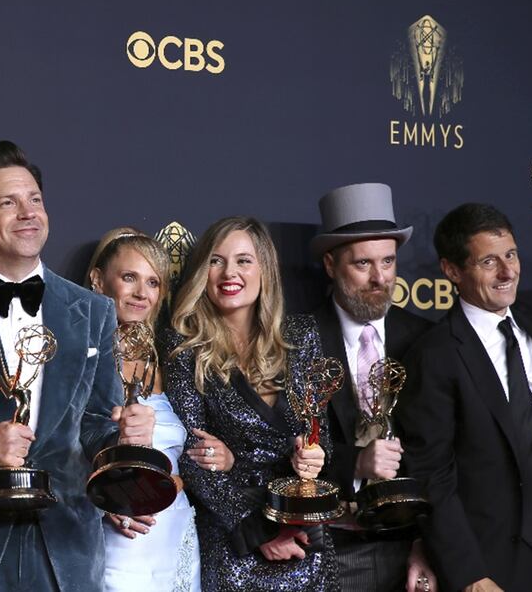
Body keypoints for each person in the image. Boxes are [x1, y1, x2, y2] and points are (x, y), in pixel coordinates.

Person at [0, 141, 156, 591]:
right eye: (8, 203)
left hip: (67, 551)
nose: (28, 213)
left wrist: (124, 437)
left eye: (35, 200)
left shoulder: (93, 311)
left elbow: (97, 425)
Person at [165, 216, 338, 591]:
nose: (230, 272)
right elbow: (193, 458)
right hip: (236, 543)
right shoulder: (185, 350)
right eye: (216, 260)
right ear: (202, 272)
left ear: (265, 270)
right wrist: (259, 532)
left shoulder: (301, 335)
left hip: (304, 536)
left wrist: (311, 456)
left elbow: (318, 436)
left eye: (244, 260)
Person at [395, 203, 532, 591]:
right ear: (452, 271)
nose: (508, 271)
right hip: (495, 560)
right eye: (489, 261)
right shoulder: (435, 355)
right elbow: (432, 475)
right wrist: (469, 573)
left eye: (511, 255)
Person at [308, 183, 436, 592]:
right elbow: (273, 445)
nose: (380, 278)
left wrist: (428, 544)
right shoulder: (296, 339)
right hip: (333, 547)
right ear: (331, 264)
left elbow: (446, 454)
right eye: (363, 264)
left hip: (416, 546)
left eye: (388, 262)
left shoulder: (427, 340)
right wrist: (355, 463)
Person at [86, 228, 218, 591]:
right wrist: (104, 501)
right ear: (98, 280)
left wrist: (180, 478)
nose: (142, 293)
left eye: (153, 282)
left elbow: (193, 447)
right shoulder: (79, 360)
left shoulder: (173, 360)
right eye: (129, 278)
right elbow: (59, 449)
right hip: (114, 542)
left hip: (173, 538)